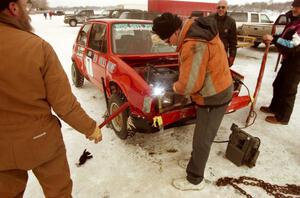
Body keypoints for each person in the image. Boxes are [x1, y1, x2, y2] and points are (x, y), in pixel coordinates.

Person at [0, 0, 102, 197]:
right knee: (59, 193)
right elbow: (64, 104)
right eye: (25, 6)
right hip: (41, 142)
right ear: (13, 8)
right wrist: (90, 128)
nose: (27, 12)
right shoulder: (37, 47)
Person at [152, 13, 233, 191]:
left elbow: (189, 85)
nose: (168, 44)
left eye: (167, 40)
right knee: (202, 135)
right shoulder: (195, 29)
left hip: (214, 95)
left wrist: (173, 87)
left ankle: (195, 178)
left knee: (202, 139)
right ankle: (195, 161)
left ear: (174, 32)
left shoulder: (194, 44)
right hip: (218, 87)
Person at [261, 0, 300, 125]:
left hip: (297, 62)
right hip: (288, 60)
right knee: (278, 85)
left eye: (298, 7)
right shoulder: (293, 21)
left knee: (288, 90)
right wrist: (273, 39)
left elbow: (293, 45)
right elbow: (284, 37)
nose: (294, 9)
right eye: (294, 6)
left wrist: (274, 40)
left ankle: (283, 117)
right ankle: (274, 108)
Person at [208, 0, 237, 67]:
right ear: (216, 8)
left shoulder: (231, 22)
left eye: (223, 7)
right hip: (209, 52)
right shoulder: (210, 19)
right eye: (219, 7)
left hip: (222, 53)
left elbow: (233, 42)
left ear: (227, 8)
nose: (220, 9)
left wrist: (232, 56)